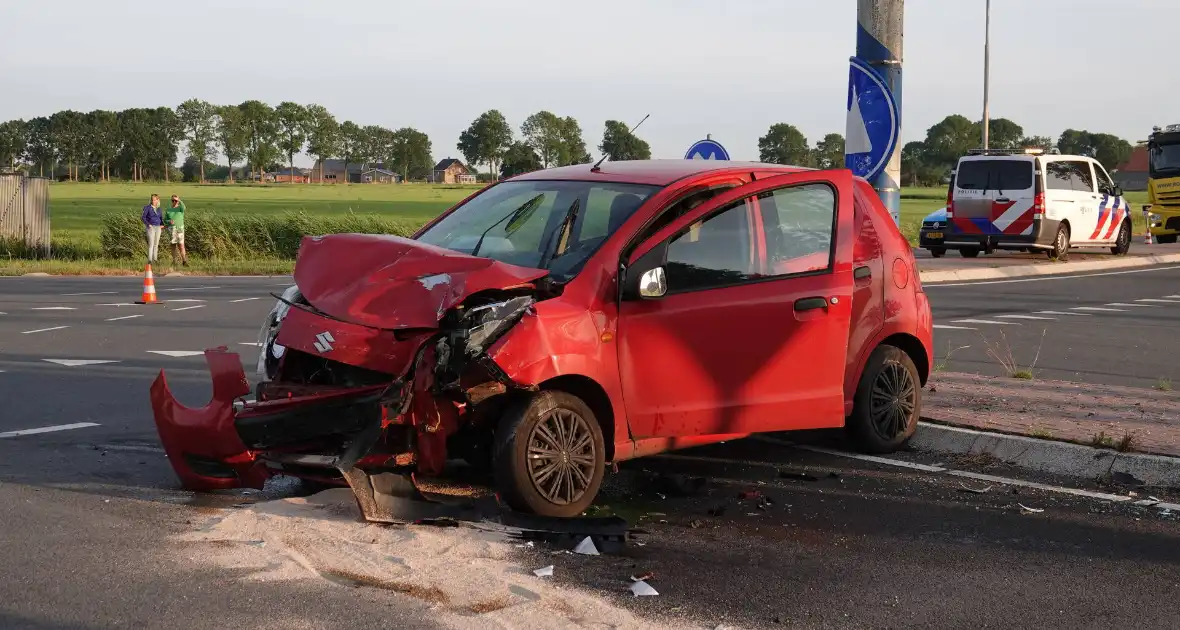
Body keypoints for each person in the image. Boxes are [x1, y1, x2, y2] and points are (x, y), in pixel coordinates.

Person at [165, 194, 188, 266]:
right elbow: (165, 219)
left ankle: (184, 261)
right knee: (173, 245)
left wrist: (179, 200)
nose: (174, 202)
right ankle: (174, 261)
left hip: (180, 229)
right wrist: (169, 221)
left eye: (175, 200)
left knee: (181, 245)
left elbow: (184, 207)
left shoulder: (180, 208)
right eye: (173, 200)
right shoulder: (168, 210)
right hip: (172, 229)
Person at [140, 194, 163, 263]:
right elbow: (143, 217)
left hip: (158, 227)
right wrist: (148, 224)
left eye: (155, 199)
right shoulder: (147, 208)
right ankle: (150, 260)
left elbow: (161, 218)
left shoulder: (159, 209)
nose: (153, 201)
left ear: (158, 200)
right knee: (151, 244)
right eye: (152, 199)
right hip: (151, 227)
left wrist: (162, 225)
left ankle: (155, 260)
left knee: (156, 244)